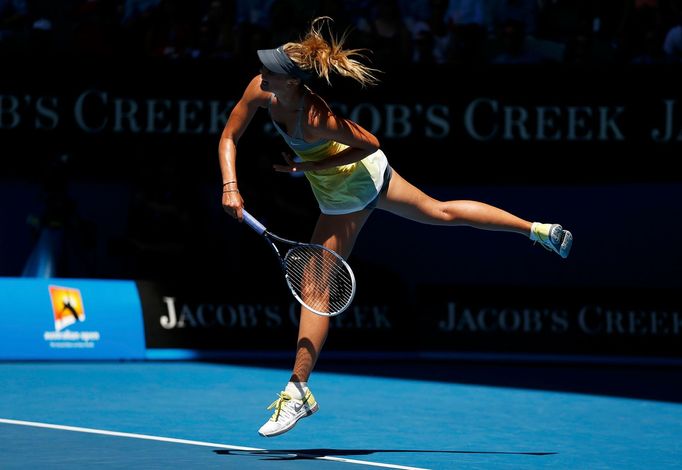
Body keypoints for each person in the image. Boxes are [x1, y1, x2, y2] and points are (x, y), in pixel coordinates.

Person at [218, 17, 572, 438]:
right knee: (440, 212)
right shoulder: (261, 89)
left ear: (292, 83)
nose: (263, 72)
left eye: (272, 69)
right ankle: (536, 230)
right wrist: (230, 186)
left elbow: (370, 142)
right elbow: (228, 138)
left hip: (349, 189)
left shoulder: (315, 117)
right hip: (370, 177)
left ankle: (298, 392)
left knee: (314, 291)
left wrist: (307, 165)